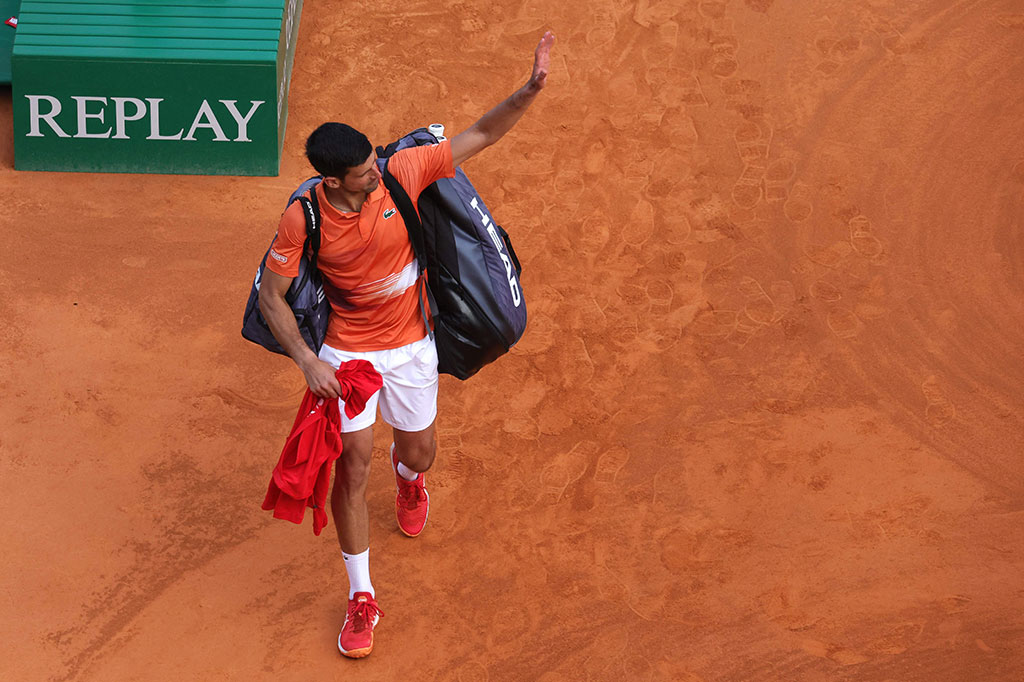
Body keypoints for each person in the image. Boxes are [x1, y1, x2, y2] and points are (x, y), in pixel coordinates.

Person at [257, 31, 555, 658]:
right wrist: (310, 360)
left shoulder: (400, 173)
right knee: (352, 465)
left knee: (419, 453)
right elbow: (270, 298)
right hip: (348, 356)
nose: (376, 169)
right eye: (364, 169)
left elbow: (481, 134)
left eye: (375, 161)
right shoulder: (303, 218)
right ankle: (361, 596)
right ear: (335, 180)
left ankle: (410, 480)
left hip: (413, 346)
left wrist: (526, 92)